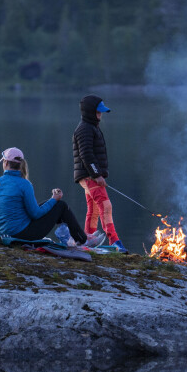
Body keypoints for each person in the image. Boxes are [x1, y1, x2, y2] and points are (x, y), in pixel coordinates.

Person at [0, 147, 103, 247]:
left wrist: (4, 206)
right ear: (21, 164)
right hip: (22, 234)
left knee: (50, 204)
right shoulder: (25, 184)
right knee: (61, 206)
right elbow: (35, 214)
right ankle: (83, 240)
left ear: (5, 163)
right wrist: (54, 199)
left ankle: (75, 236)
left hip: (5, 232)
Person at [73, 95, 127, 253]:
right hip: (90, 176)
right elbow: (86, 155)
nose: (101, 115)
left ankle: (86, 240)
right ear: (90, 112)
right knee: (105, 205)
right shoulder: (84, 129)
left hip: (90, 175)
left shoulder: (91, 127)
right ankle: (114, 241)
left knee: (94, 209)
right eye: (98, 112)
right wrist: (96, 175)